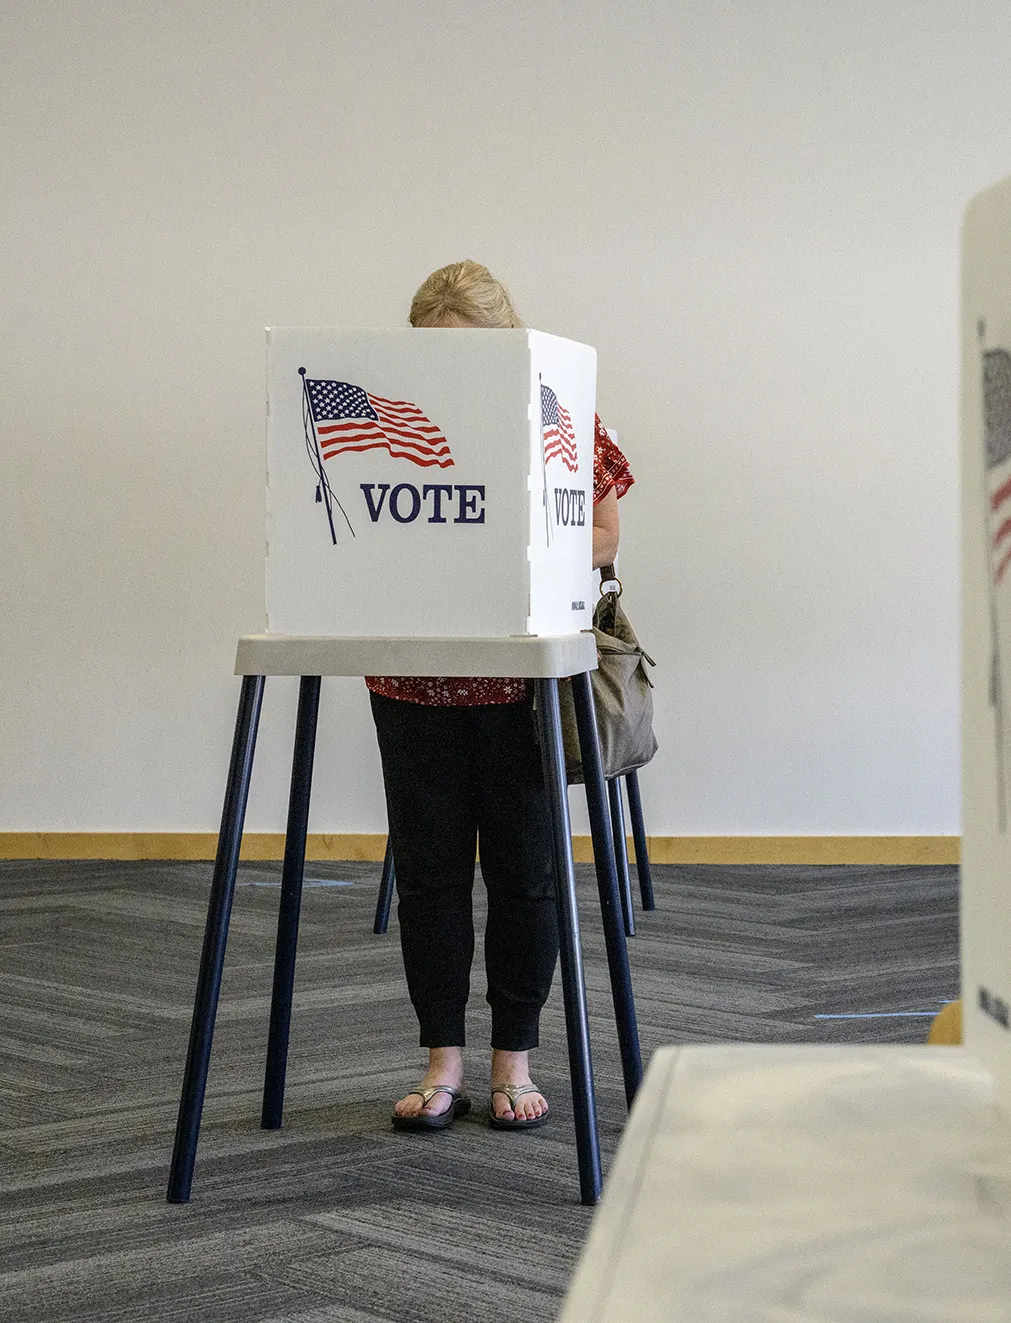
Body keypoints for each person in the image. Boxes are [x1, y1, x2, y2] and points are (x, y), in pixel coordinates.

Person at [375, 260, 635, 1132]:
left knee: (526, 873)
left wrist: (531, 537)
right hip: (411, 674)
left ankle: (513, 1058)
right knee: (430, 874)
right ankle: (441, 1058)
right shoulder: (387, 413)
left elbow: (604, 533)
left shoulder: (556, 404)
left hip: (520, 681)